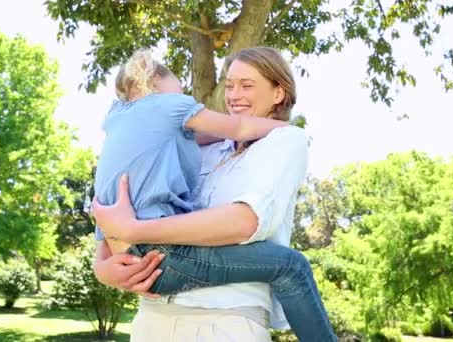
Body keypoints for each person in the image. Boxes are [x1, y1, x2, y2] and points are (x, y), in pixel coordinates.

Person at [93, 47, 337, 342]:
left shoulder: (285, 140)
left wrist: (134, 230)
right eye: (230, 85)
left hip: (223, 324)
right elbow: (113, 199)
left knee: (290, 266)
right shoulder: (198, 147)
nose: (233, 95)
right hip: (153, 321)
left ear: (278, 93)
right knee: (291, 267)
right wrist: (103, 269)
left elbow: (243, 221)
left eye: (247, 85)